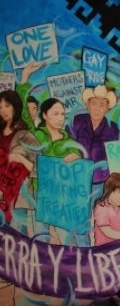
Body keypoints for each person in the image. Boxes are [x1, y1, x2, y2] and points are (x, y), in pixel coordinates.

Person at [17, 62, 85, 245]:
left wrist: (76, 158)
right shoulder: (36, 135)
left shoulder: (68, 140)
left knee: (67, 239)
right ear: (45, 115)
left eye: (62, 114)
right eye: (56, 114)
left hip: (63, 197)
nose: (60, 118)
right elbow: (22, 112)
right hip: (41, 195)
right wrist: (24, 78)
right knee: (41, 238)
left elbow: (79, 164)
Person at [67, 85, 120, 186]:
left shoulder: (115, 130)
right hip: (75, 179)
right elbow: (65, 142)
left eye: (102, 105)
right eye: (93, 103)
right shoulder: (77, 121)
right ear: (88, 105)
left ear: (107, 108)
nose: (97, 108)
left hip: (101, 183)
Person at [0, 89, 39, 225]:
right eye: (0, 107)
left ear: (15, 107)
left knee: (16, 241)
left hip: (19, 197)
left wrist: (19, 158)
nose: (3, 110)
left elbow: (40, 168)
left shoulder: (25, 135)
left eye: (7, 105)